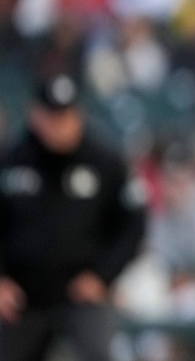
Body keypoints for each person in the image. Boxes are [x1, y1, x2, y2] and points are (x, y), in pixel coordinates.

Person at [0, 73, 147, 361]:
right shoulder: (11, 161)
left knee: (99, 352)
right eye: (52, 116)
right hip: (21, 297)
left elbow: (133, 224)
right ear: (35, 115)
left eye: (66, 116)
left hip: (80, 295)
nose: (60, 125)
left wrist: (103, 275)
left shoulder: (105, 162)